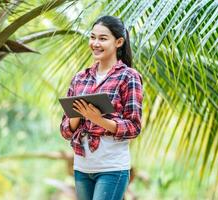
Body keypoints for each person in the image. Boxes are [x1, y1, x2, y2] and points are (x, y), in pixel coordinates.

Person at [60, 15, 143, 200]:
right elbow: (65, 130)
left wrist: (98, 119)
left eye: (103, 38)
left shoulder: (129, 77)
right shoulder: (80, 78)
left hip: (112, 168)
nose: (95, 43)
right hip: (82, 167)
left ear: (119, 42)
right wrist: (77, 115)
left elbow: (134, 127)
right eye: (92, 37)